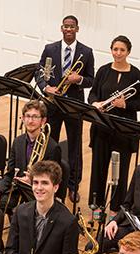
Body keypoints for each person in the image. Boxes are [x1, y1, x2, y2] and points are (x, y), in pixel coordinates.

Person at [36, 15, 95, 203]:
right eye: (65, 26)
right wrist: (46, 87)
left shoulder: (86, 52)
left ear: (77, 29)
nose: (68, 29)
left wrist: (78, 80)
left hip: (73, 105)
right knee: (50, 144)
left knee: (75, 146)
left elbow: (91, 80)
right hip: (53, 103)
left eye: (72, 27)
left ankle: (73, 186)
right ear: (61, 29)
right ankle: (50, 182)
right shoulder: (49, 49)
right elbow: (40, 72)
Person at [88, 35, 140, 215]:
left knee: (120, 173)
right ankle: (96, 207)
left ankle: (116, 210)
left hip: (123, 132)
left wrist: (126, 105)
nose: (118, 53)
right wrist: (95, 104)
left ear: (128, 52)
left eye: (122, 50)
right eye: (115, 49)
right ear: (111, 50)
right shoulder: (103, 71)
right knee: (98, 169)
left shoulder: (136, 74)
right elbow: (92, 94)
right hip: (102, 127)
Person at [0, 100, 62, 213]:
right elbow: (9, 174)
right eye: (27, 116)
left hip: (38, 194)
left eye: (35, 117)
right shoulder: (17, 142)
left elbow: (53, 181)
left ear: (43, 121)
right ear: (22, 118)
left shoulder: (52, 147)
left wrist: (32, 180)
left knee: (21, 212)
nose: (30, 121)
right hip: (18, 190)